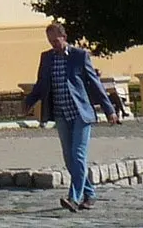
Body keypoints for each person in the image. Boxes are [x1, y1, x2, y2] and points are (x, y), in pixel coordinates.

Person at [24, 23, 116, 212]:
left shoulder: (79, 56)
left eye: (56, 40)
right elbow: (41, 84)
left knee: (78, 155)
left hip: (80, 113)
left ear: (64, 37)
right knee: (69, 158)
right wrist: (29, 101)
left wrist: (109, 109)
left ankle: (73, 198)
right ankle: (89, 194)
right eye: (50, 41)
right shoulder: (47, 58)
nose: (53, 44)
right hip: (61, 114)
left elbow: (94, 82)